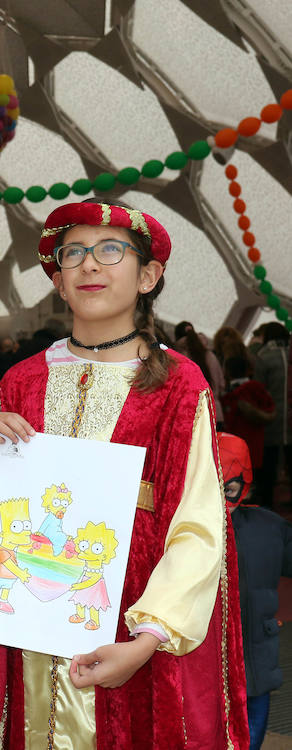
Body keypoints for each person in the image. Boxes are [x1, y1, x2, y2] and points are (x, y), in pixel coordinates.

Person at [0, 199, 248, 748]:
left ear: (148, 275)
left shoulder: (179, 386)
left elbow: (199, 526)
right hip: (31, 624)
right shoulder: (21, 381)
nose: (90, 264)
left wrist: (148, 638)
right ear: (59, 282)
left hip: (132, 628)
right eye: (74, 253)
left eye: (110, 250)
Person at [219, 432, 292, 750]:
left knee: (251, 729)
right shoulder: (184, 528)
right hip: (208, 653)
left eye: (229, 490)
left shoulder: (270, 528)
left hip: (256, 653)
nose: (221, 502)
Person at [253, 321, 289, 508]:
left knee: (269, 466)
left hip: (271, 421)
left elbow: (259, 390)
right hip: (290, 420)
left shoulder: (263, 357)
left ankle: (267, 506)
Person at [221, 355, 275, 471]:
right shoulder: (258, 387)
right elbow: (271, 410)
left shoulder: (229, 395)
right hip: (257, 444)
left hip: (234, 449)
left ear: (227, 372)